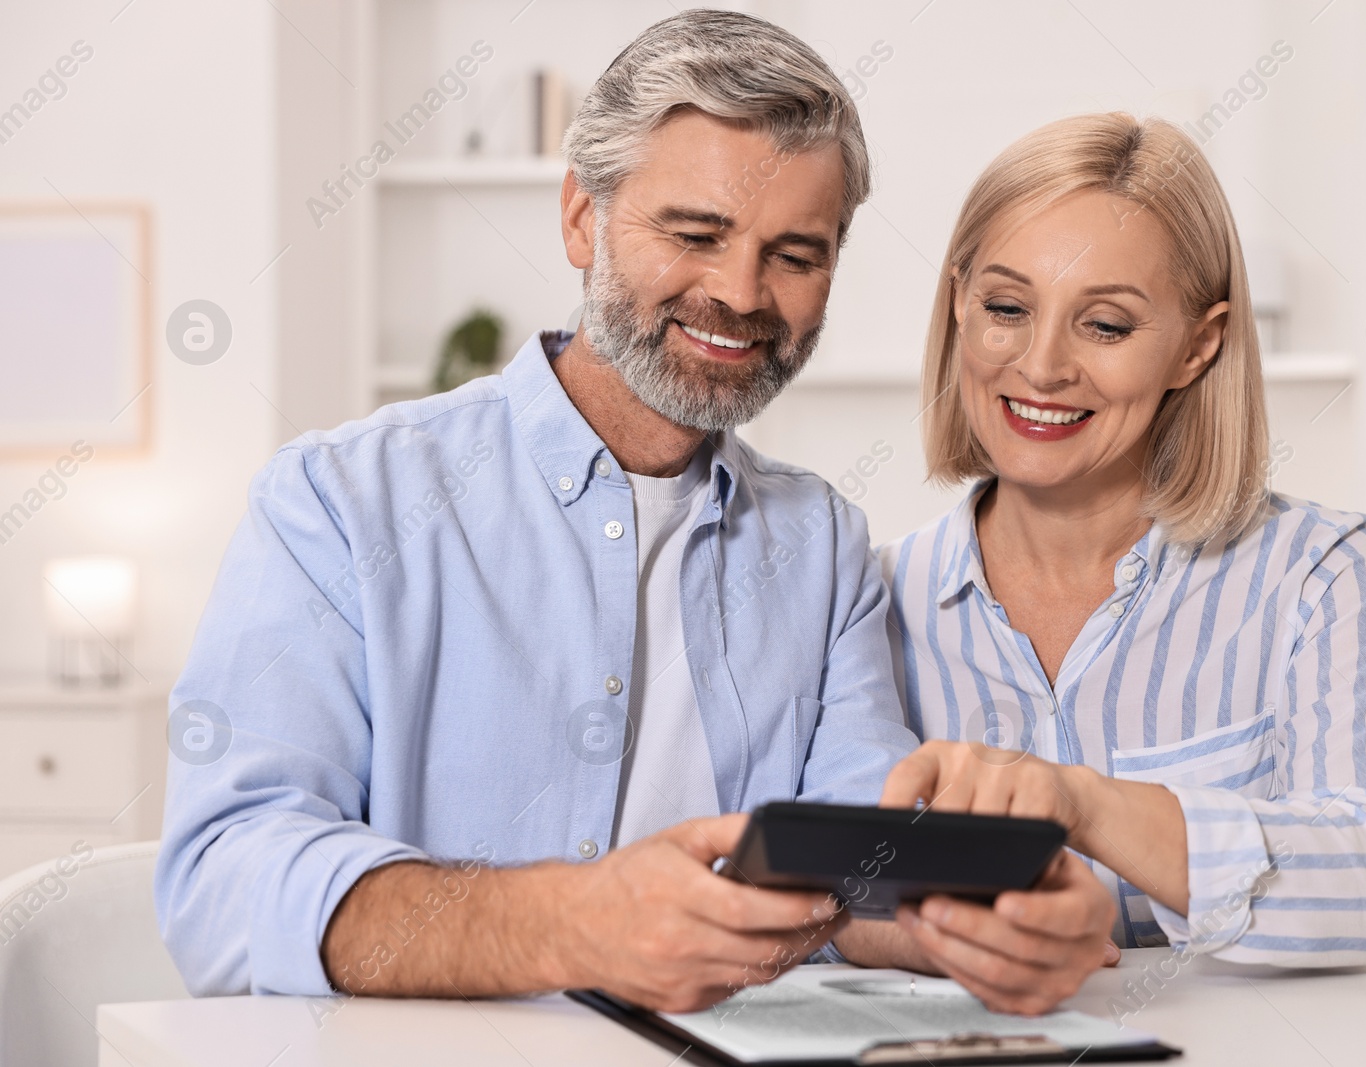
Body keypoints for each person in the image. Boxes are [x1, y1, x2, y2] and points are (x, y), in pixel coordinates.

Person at [155, 11, 1112, 1015]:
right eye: (695, 234)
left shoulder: (821, 543)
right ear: (582, 219)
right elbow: (222, 879)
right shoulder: (341, 502)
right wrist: (574, 920)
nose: (740, 293)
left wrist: (998, 920)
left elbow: (853, 869)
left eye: (795, 254)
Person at [876, 113, 1366, 968]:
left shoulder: (1320, 573)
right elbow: (822, 893)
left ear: (1197, 346)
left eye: (1105, 325)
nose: (1042, 366)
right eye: (1007, 308)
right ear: (960, 307)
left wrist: (1086, 804)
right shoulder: (871, 601)